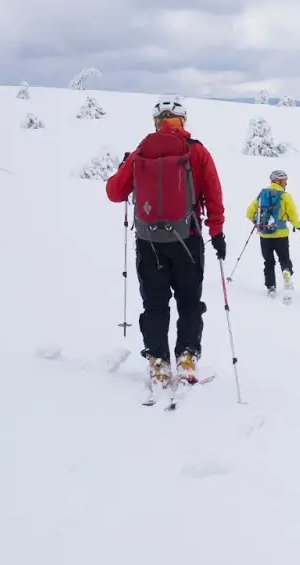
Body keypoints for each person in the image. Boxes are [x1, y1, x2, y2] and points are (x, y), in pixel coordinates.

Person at [105, 96, 227, 385]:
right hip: (188, 240)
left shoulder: (140, 152)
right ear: (182, 121)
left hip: (149, 243)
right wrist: (217, 232)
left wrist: (127, 166)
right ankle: (187, 356)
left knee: (155, 304)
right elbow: (214, 193)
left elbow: (114, 193)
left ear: (156, 122)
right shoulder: (197, 151)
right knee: (189, 301)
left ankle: (158, 360)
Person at [247, 168, 300, 300]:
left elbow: (249, 213)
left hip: (264, 235)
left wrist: (258, 222)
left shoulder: (262, 194)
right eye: (284, 180)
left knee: (268, 262)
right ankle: (286, 272)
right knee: (284, 259)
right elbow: (293, 214)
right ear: (278, 180)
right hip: (281, 235)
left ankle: (271, 287)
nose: (286, 183)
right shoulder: (285, 196)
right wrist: (298, 225)